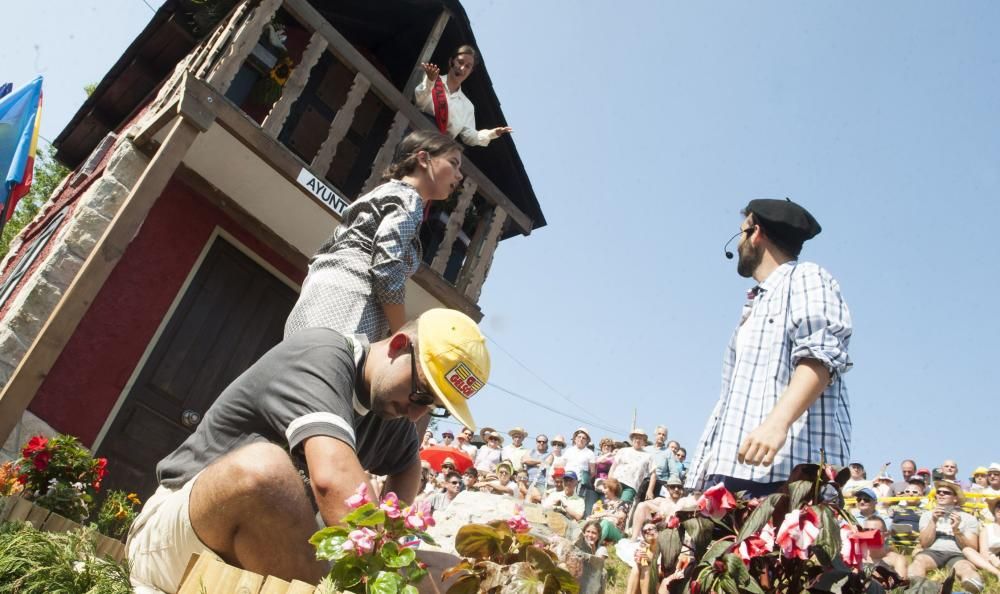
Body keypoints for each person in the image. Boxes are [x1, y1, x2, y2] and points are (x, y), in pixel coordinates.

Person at [126, 308, 490, 593]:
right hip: (175, 545)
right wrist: (394, 570)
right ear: (397, 346)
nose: (417, 413)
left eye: (434, 406)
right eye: (422, 394)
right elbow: (332, 480)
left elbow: (408, 465)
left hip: (270, 562)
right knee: (264, 472)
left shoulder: (391, 408)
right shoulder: (322, 354)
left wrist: (400, 546)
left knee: (453, 572)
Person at [687, 198, 853, 498]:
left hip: (787, 475)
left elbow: (820, 355)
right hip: (730, 475)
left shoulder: (806, 277)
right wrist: (698, 484)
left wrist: (777, 424)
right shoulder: (754, 306)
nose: (738, 243)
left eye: (741, 233)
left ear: (756, 233)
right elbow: (728, 405)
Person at [284, 131, 463, 342]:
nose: (459, 175)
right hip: (349, 304)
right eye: (453, 163)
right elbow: (386, 265)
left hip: (318, 297)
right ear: (423, 159)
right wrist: (400, 332)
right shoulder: (408, 198)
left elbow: (324, 252)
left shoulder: (382, 194)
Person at [414, 45, 512, 147]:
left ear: (470, 72)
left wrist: (492, 133)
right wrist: (430, 81)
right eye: (460, 62)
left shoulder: (467, 106)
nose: (462, 68)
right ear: (451, 61)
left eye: (468, 66)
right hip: (416, 130)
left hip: (439, 147)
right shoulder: (432, 79)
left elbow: (469, 137)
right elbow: (419, 101)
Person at [908, 481, 984, 593]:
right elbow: (925, 543)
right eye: (939, 492)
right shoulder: (927, 515)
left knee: (965, 567)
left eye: (946, 492)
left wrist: (956, 530)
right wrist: (933, 521)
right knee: (919, 561)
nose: (941, 494)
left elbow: (971, 547)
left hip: (957, 554)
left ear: (955, 498)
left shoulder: (968, 518)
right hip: (932, 552)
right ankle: (916, 588)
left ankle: (973, 586)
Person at [609, 429, 652, 503]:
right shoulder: (623, 450)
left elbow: (653, 474)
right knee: (610, 505)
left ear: (644, 441)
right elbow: (613, 467)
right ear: (632, 439)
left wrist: (650, 490)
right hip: (616, 482)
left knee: (622, 507)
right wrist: (609, 480)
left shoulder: (648, 456)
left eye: (640, 438)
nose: (638, 440)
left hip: (631, 486)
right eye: (636, 438)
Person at [587, 477, 631, 543]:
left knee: (606, 523)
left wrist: (605, 514)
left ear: (612, 489)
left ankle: (594, 544)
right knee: (585, 522)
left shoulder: (623, 503)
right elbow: (594, 516)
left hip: (617, 532)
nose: (603, 491)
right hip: (602, 527)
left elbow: (621, 517)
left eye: (605, 488)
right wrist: (593, 510)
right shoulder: (603, 504)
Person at [626, 521, 660, 594]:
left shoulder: (663, 546)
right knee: (636, 567)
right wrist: (638, 561)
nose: (647, 532)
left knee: (646, 568)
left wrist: (650, 562)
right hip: (643, 585)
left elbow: (663, 571)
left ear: (658, 531)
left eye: (650, 529)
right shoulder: (644, 549)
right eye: (645, 531)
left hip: (659, 584)